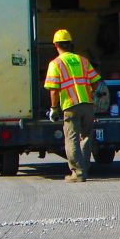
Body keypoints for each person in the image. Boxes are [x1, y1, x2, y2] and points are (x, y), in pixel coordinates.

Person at [44, 29, 101, 182]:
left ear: (56, 45)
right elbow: (95, 82)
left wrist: (54, 108)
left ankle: (78, 173)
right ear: (70, 44)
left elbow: (54, 89)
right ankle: (85, 168)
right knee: (86, 136)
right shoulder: (83, 60)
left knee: (72, 138)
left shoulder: (55, 63)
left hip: (71, 105)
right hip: (87, 104)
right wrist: (88, 91)